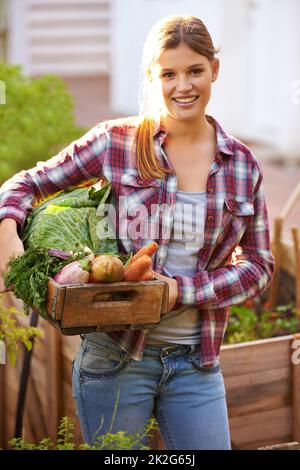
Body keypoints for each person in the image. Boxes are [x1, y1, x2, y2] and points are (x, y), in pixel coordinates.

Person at [0, 15, 274, 450]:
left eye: (194, 71)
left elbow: (259, 267)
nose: (182, 86)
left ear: (214, 71)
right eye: (169, 74)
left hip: (197, 362)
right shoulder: (118, 142)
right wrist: (8, 234)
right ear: (153, 76)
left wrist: (181, 291)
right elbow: (24, 184)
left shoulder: (241, 165)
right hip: (115, 358)